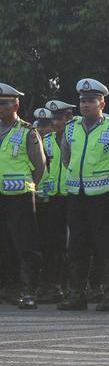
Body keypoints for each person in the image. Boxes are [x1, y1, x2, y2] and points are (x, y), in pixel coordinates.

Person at [58, 79, 109, 311]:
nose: (85, 105)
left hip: (104, 196)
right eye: (82, 101)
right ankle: (76, 295)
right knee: (77, 246)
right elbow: (65, 156)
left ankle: (108, 296)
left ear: (102, 102)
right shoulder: (71, 127)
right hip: (77, 195)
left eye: (91, 100)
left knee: (105, 247)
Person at [0, 84, 46, 310]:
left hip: (20, 196)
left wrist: (30, 186)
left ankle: (28, 290)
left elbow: (39, 166)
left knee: (25, 245)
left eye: (3, 103)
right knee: (4, 245)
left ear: (15, 105)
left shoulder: (28, 131)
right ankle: (8, 288)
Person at [35, 102, 71, 303]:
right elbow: (42, 167)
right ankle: (52, 285)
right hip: (53, 197)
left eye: (59, 118)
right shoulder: (46, 140)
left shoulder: (76, 137)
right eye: (53, 119)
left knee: (74, 244)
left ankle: (72, 286)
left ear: (68, 118)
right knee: (52, 244)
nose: (56, 123)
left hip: (73, 195)